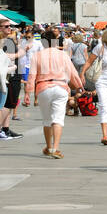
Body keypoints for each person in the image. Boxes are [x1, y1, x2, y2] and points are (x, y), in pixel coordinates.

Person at [27, 29, 82, 159]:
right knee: (58, 119)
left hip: (43, 88)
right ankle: (56, 148)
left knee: (46, 120)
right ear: (55, 41)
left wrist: (28, 94)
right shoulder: (63, 55)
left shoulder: (37, 55)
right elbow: (72, 72)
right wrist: (79, 86)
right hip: (60, 87)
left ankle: (49, 147)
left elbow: (31, 76)